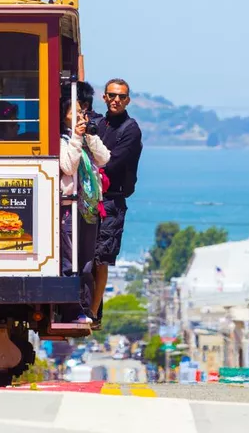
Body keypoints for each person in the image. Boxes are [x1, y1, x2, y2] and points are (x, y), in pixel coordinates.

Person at [91, 78, 143, 325]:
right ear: (104, 97)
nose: (116, 100)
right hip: (91, 198)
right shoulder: (98, 124)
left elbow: (112, 164)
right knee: (87, 255)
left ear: (127, 100)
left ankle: (94, 312)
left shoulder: (131, 130)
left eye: (121, 97)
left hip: (112, 201)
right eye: (112, 95)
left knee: (102, 256)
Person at [60, 94, 110, 324]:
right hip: (69, 207)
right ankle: (70, 310)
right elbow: (68, 165)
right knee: (70, 260)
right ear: (63, 116)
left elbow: (104, 158)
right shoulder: (61, 140)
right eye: (74, 112)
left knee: (87, 261)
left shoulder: (86, 136)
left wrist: (89, 135)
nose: (80, 116)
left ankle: (85, 308)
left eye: (82, 112)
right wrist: (77, 137)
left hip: (88, 208)